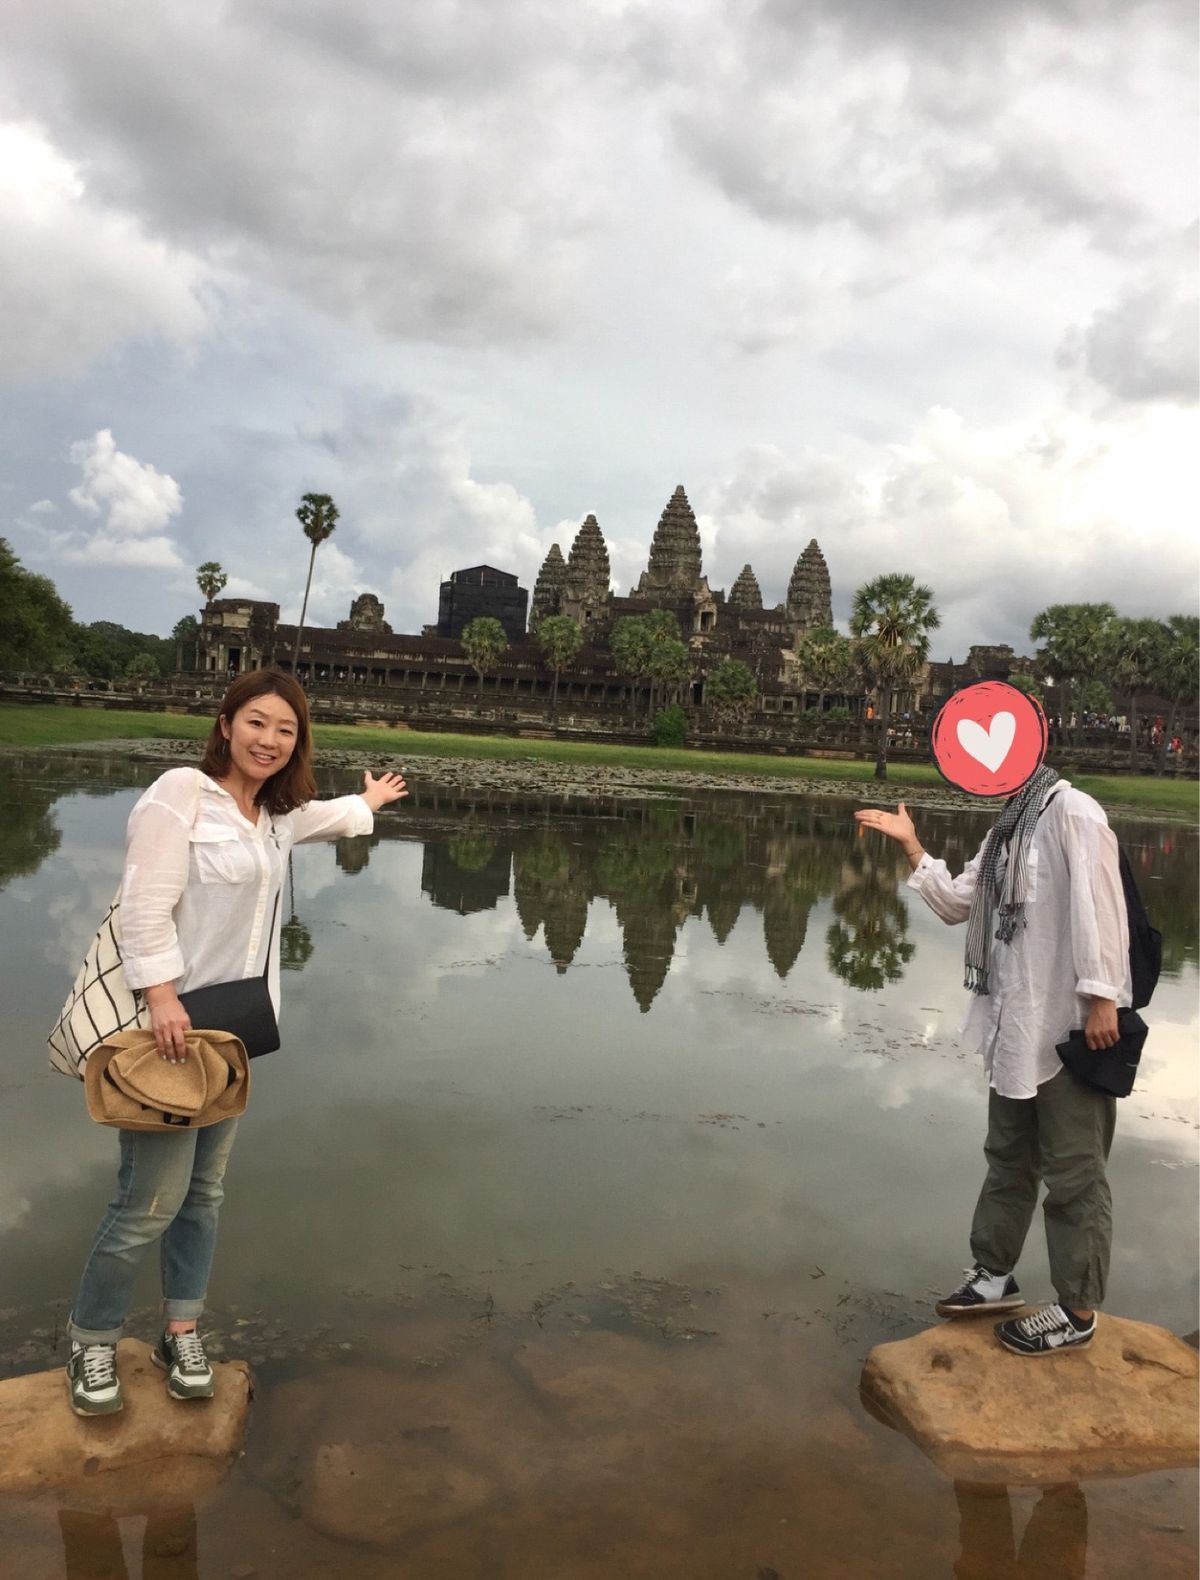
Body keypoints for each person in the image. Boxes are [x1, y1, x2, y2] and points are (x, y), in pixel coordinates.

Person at [64, 669, 408, 1415]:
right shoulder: (179, 794)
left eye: (285, 730)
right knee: (145, 1203)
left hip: (232, 1032)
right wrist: (159, 997)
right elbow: (145, 909)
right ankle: (91, 1343)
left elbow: (325, 817)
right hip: (168, 1030)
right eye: (257, 723)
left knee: (204, 1194)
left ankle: (181, 1330)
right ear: (225, 723)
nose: (269, 740)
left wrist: (371, 800)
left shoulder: (275, 815)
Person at [854, 763, 1130, 1356]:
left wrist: (1104, 997)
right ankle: (995, 1277)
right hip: (1014, 1024)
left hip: (1067, 1025)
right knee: (1007, 1155)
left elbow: (1101, 906)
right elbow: (959, 904)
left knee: (1075, 1173)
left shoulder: (1074, 811)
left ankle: (1077, 1311)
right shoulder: (1006, 827)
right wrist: (913, 847)